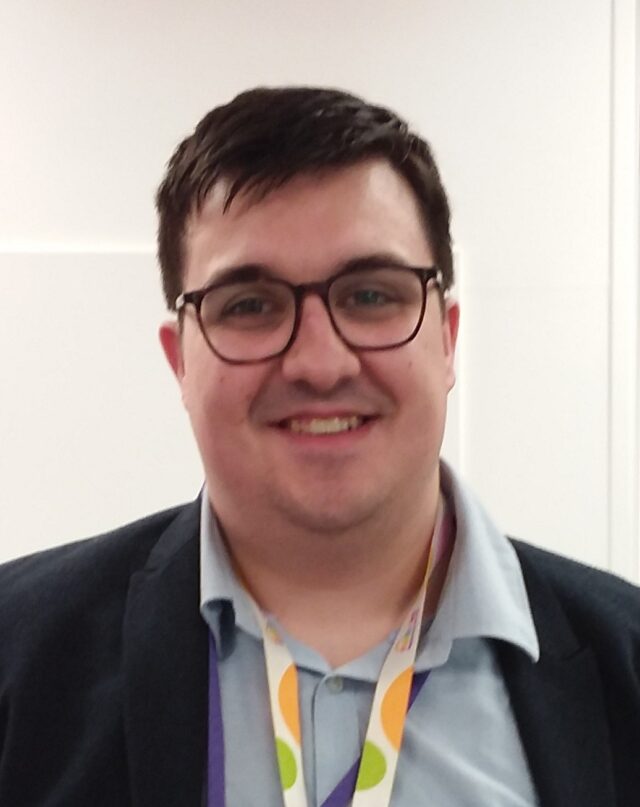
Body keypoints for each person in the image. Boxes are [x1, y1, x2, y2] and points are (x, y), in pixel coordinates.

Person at [0, 86, 638, 807]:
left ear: (447, 338)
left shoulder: (627, 659)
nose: (320, 363)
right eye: (250, 305)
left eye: (370, 295)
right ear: (180, 361)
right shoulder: (16, 656)